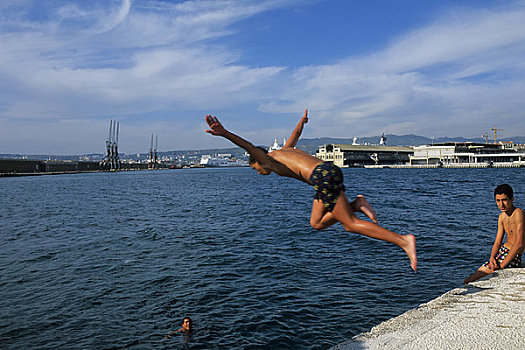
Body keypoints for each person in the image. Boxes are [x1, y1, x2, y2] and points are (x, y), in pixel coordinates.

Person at [205, 109, 417, 271]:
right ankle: (356, 204)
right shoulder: (284, 150)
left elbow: (249, 147)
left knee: (350, 225)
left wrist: (224, 134)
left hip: (321, 177)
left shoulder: (267, 160)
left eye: (255, 168)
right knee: (316, 223)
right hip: (326, 174)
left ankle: (403, 240)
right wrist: (302, 121)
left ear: (258, 161)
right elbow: (295, 134)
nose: (258, 172)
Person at [464, 184, 524, 284]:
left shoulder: (518, 214)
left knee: (472, 281)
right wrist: (492, 258)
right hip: (501, 253)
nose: (501, 204)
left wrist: (502, 265)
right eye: (498, 200)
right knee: (469, 281)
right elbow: (497, 242)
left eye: (504, 200)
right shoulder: (502, 217)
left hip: (513, 256)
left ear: (512, 199)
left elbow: (519, 244)